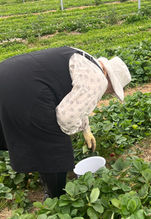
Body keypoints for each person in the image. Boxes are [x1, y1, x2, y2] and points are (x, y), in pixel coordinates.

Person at [0, 46, 131, 199]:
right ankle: (56, 198)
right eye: (111, 90)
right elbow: (66, 118)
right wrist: (71, 132)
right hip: (28, 93)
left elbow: (76, 98)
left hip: (7, 77)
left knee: (24, 134)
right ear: (108, 77)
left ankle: (46, 181)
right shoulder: (98, 79)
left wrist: (86, 129)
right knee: (56, 149)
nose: (108, 93)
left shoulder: (85, 59)